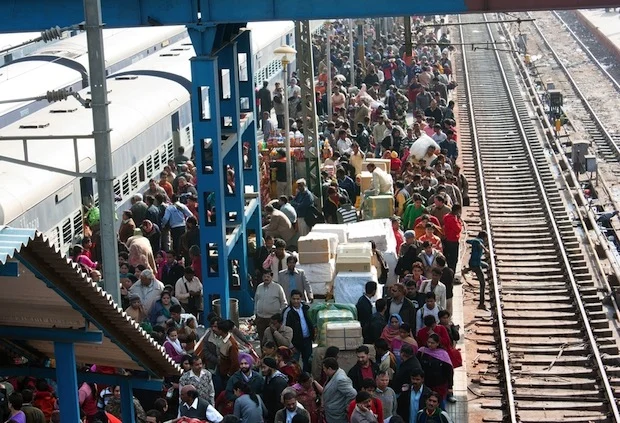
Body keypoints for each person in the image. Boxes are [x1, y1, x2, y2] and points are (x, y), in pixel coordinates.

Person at [416, 334, 454, 408]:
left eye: (432, 343)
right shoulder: (422, 351)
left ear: (437, 343)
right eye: (428, 342)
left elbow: (449, 371)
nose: (430, 344)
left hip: (439, 386)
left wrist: (450, 386)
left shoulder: (443, 354)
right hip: (425, 385)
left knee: (440, 405)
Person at [282, 290, 315, 372]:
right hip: (294, 343)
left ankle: (306, 379)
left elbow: (312, 321)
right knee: (294, 364)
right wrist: (290, 345)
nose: (296, 301)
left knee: (308, 362)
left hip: (307, 340)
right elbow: (284, 329)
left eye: (298, 299)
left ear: (301, 299)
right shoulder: (287, 312)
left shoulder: (306, 308)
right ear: (290, 299)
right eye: (294, 299)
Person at [254, 272, 288, 345]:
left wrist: (279, 316)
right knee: (262, 339)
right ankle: (264, 355)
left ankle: (275, 355)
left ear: (271, 277)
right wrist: (255, 314)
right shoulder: (259, 287)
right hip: (260, 318)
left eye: (268, 276)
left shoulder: (278, 287)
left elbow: (284, 302)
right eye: (264, 276)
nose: (266, 278)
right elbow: (256, 301)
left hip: (273, 319)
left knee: (273, 339)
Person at [321, 358, 357, 423]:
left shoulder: (340, 379)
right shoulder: (333, 375)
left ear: (329, 369)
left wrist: (347, 407)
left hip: (338, 414)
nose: (323, 370)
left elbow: (352, 393)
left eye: (324, 368)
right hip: (332, 413)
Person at [462, 231, 489, 310]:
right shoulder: (478, 241)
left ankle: (467, 269)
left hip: (476, 262)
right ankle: (481, 304)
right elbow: (476, 242)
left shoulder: (476, 241)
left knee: (486, 265)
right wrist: (484, 248)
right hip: (475, 264)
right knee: (483, 284)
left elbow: (468, 241)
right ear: (484, 237)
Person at [261, 357, 289, 423]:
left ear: (271, 368)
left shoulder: (279, 382)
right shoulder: (268, 377)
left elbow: (279, 403)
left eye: (264, 367)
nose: (262, 370)